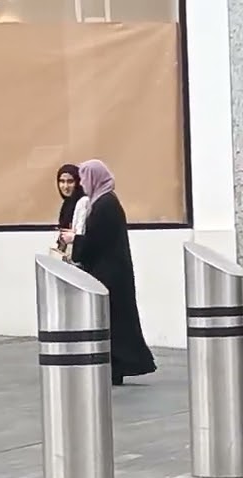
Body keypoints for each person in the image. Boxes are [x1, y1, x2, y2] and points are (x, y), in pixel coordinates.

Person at [58, 160, 156, 386]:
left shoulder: (105, 205)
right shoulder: (103, 201)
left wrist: (75, 240)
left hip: (110, 274)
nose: (81, 182)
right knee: (115, 321)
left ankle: (121, 365)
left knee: (114, 320)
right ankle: (116, 366)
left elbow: (96, 241)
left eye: (83, 177)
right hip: (111, 272)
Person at [55, 164, 89, 261]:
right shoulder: (67, 204)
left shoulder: (83, 202)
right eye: (62, 181)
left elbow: (81, 233)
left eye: (70, 182)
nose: (65, 186)